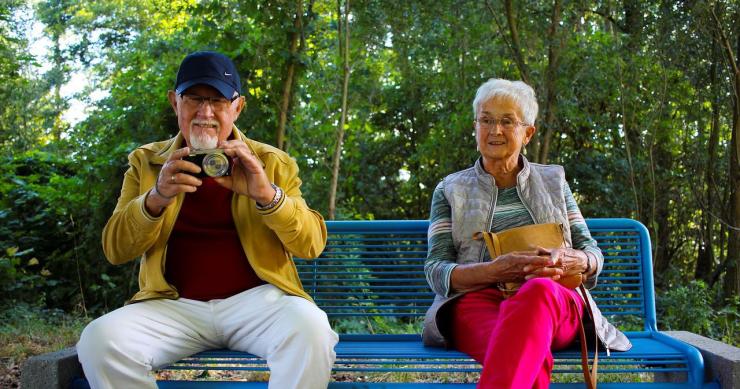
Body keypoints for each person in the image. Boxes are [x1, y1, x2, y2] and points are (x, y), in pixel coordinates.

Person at [76, 51, 338, 389]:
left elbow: (312, 244)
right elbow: (115, 249)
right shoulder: (147, 161)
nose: (205, 113)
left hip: (258, 303)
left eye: (217, 100)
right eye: (195, 99)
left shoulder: (272, 162)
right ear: (175, 103)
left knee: (311, 330)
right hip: (173, 306)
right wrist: (156, 198)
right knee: (99, 340)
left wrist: (266, 195)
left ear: (237, 107)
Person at [422, 78, 631, 388]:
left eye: (507, 121)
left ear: (528, 133)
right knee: (525, 354)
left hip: (554, 300)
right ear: (475, 126)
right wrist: (493, 271)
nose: (495, 130)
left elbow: (592, 253)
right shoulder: (450, 189)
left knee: (537, 293)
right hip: (477, 301)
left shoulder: (554, 181)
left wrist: (578, 260)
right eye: (486, 120)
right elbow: (436, 270)